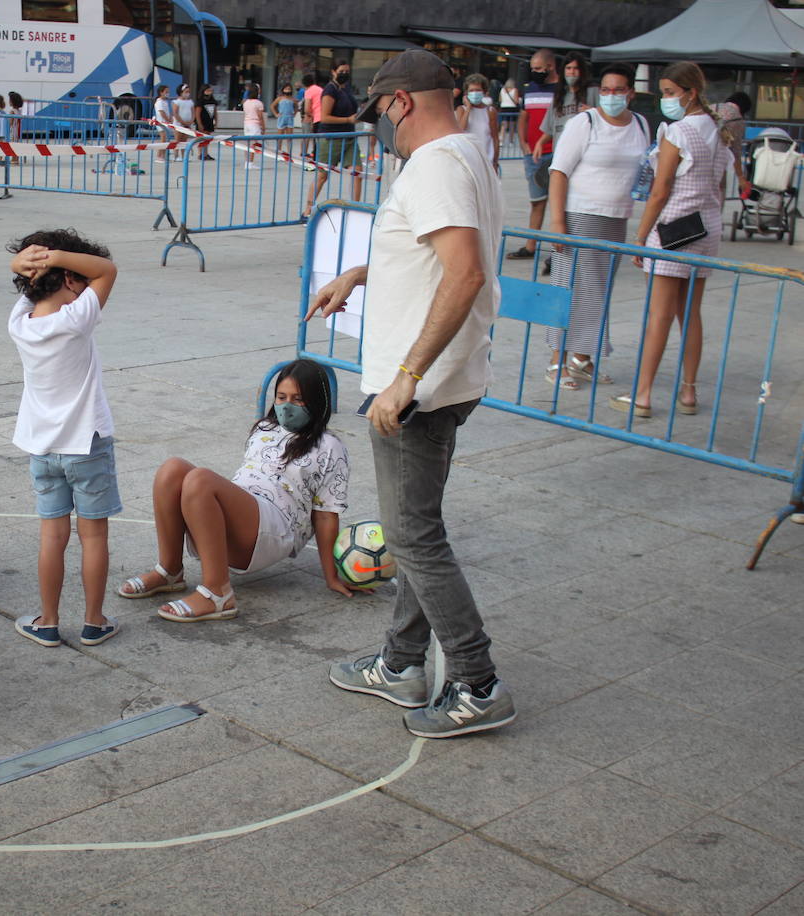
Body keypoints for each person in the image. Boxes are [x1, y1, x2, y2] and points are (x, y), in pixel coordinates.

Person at [306, 49, 514, 739]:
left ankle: (477, 682)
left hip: (421, 386)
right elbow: (434, 253)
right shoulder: (468, 155)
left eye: (381, 115)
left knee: (413, 536)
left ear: (400, 103)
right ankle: (401, 664)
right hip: (439, 379)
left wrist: (408, 378)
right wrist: (363, 273)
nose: (381, 131)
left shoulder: (435, 164)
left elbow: (465, 274)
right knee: (417, 526)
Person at [117, 359, 354, 621]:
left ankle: (218, 593)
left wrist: (331, 575)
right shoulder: (265, 428)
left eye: (298, 399)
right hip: (247, 508)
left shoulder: (330, 446)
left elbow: (325, 514)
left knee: (200, 480)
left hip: (276, 526)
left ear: (317, 401)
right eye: (281, 397)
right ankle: (169, 570)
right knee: (171, 470)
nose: (287, 405)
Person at [5, 230, 122, 648]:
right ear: (71, 279)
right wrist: (57, 257)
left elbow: (32, 287)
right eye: (82, 279)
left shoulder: (19, 323)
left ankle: (49, 620)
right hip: (86, 444)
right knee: (94, 537)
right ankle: (94, 620)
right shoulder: (78, 318)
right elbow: (107, 270)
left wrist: (27, 263)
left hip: (42, 448)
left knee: (52, 538)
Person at [614, 61, 732, 419]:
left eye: (669, 93)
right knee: (689, 313)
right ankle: (689, 390)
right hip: (705, 228)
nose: (666, 99)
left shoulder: (678, 132)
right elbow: (721, 187)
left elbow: (660, 190)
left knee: (659, 314)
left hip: (672, 230)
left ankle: (644, 393)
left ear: (689, 92)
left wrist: (640, 236)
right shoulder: (717, 130)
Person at [544, 63, 649, 391]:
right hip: (580, 215)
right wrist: (559, 222)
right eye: (606, 90)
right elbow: (559, 170)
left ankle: (583, 357)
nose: (612, 96)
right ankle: (557, 361)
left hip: (616, 217)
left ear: (630, 93)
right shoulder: (584, 122)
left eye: (619, 90)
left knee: (599, 291)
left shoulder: (641, 124)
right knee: (571, 288)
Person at [509, 49, 561, 260]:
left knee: (561, 203)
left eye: (539, 68)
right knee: (536, 200)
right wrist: (523, 144)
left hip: (557, 153)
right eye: (533, 69)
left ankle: (559, 248)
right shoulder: (530, 90)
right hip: (534, 154)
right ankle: (531, 245)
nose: (536, 72)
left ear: (551, 66)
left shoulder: (560, 90)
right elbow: (524, 117)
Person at [304, 60, 359, 212]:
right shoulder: (330, 90)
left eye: (347, 71)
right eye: (341, 71)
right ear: (333, 72)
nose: (345, 74)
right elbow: (325, 117)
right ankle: (307, 210)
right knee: (322, 175)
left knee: (357, 172)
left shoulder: (346, 89)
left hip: (349, 137)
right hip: (331, 137)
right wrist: (348, 119)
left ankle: (355, 208)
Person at [532, 53, 596, 166]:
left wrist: (594, 112)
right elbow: (550, 129)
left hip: (585, 157)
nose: (572, 72)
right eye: (568, 68)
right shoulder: (559, 96)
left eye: (576, 68)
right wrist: (540, 143)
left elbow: (608, 119)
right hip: (561, 157)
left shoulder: (593, 91)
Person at [457, 73, 499, 172]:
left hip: (486, 161)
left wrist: (495, 162)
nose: (475, 93)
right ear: (466, 93)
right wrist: (468, 109)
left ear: (484, 92)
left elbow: (495, 138)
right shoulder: (461, 110)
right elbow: (460, 131)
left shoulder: (490, 111)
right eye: (471, 90)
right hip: (467, 162)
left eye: (478, 90)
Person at [715, 91, 752, 196]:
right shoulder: (737, 120)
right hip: (716, 165)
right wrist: (740, 177)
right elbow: (735, 152)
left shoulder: (711, 107)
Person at [241, 84, 265, 168]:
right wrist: (263, 127)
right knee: (253, 143)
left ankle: (247, 162)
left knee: (247, 143)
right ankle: (250, 162)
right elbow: (260, 116)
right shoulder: (258, 103)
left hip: (246, 123)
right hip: (255, 124)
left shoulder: (246, 102)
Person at [301, 73, 323, 160]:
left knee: (316, 141)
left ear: (304, 84)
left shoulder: (308, 91)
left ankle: (317, 161)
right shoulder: (320, 89)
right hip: (324, 117)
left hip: (317, 118)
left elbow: (307, 109)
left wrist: (309, 115)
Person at [173, 84, 196, 160]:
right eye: (186, 92)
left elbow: (193, 112)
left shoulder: (190, 102)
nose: (187, 93)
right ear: (181, 92)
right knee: (178, 140)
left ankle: (184, 156)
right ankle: (176, 156)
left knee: (184, 141)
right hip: (178, 124)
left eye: (188, 92)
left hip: (188, 124)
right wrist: (182, 122)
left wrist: (191, 121)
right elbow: (175, 113)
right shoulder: (177, 102)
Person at [498, 78, 521, 154]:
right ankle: (511, 141)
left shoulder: (502, 90)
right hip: (512, 108)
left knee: (503, 125)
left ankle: (501, 140)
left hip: (504, 107)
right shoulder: (515, 90)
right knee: (512, 125)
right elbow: (516, 100)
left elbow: (500, 100)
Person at [196, 85, 218, 160]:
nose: (209, 92)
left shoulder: (213, 101)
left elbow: (215, 112)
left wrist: (216, 121)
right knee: (201, 138)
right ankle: (200, 153)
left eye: (210, 90)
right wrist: (199, 124)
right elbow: (197, 114)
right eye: (208, 90)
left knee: (207, 138)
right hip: (203, 121)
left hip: (210, 121)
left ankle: (206, 153)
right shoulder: (200, 101)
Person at [153, 83, 173, 161]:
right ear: (161, 92)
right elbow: (161, 112)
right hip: (161, 123)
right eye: (166, 92)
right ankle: (159, 156)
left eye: (168, 92)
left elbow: (167, 111)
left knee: (165, 139)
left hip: (166, 123)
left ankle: (163, 156)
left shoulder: (165, 101)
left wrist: (170, 118)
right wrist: (167, 119)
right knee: (163, 139)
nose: (167, 93)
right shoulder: (159, 102)